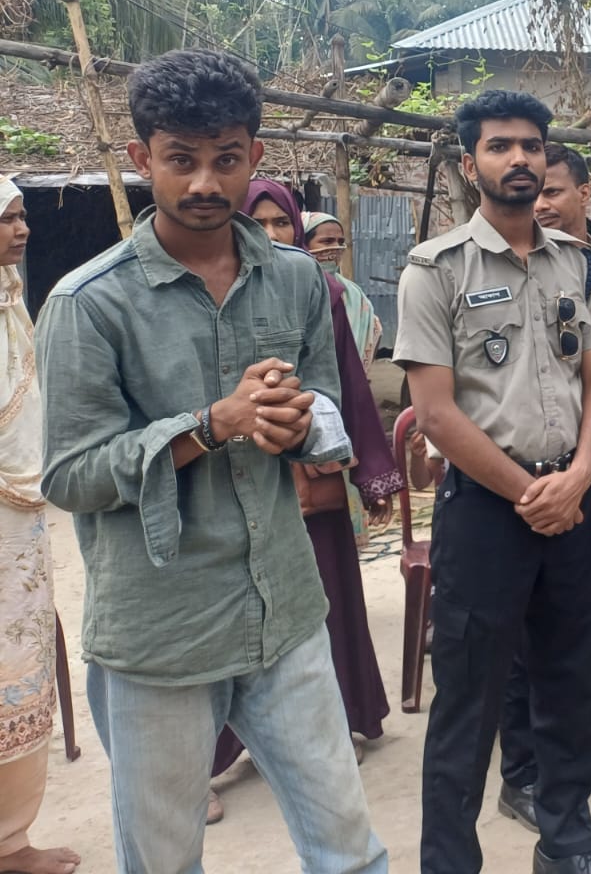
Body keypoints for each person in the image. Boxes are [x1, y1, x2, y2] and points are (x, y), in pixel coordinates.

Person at [36, 49, 385, 871]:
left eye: (225, 159)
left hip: (285, 612)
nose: (204, 182)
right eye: (180, 159)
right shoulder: (88, 304)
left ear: (255, 159)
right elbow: (70, 475)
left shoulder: (298, 278)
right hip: (162, 631)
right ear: (141, 160)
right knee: (164, 862)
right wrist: (209, 425)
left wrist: (296, 425)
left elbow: (325, 410)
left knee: (351, 852)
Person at [395, 90, 591, 874]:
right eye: (500, 146)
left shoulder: (578, 262)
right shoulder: (435, 269)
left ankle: (567, 847)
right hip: (490, 516)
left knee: (567, 691)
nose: (518, 158)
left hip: (572, 504)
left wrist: (582, 474)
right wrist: (533, 491)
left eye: (531, 145)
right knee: (468, 705)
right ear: (470, 163)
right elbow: (434, 411)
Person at [209, 184, 397, 813]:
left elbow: (348, 381)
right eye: (257, 221)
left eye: (280, 222)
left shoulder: (322, 291)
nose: (272, 233)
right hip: (228, 483)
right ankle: (211, 755)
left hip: (310, 479)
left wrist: (373, 472)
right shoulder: (205, 292)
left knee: (327, 601)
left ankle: (338, 721)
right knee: (233, 616)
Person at [495, 142, 591, 794]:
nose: (542, 204)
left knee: (584, 611)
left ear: (586, 194)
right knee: (524, 623)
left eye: (554, 190)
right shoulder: (510, 266)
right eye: (535, 193)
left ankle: (574, 746)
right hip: (526, 461)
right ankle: (521, 772)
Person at [0, 177, 81, 874]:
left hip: (17, 524)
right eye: (8, 219)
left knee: (18, 672)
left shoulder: (13, 305)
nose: (21, 231)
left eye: (22, 216)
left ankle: (11, 840)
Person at [303, 211, 383, 367]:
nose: (336, 248)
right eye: (327, 241)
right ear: (303, 244)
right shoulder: (293, 290)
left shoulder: (351, 291)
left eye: (340, 242)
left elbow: (371, 328)